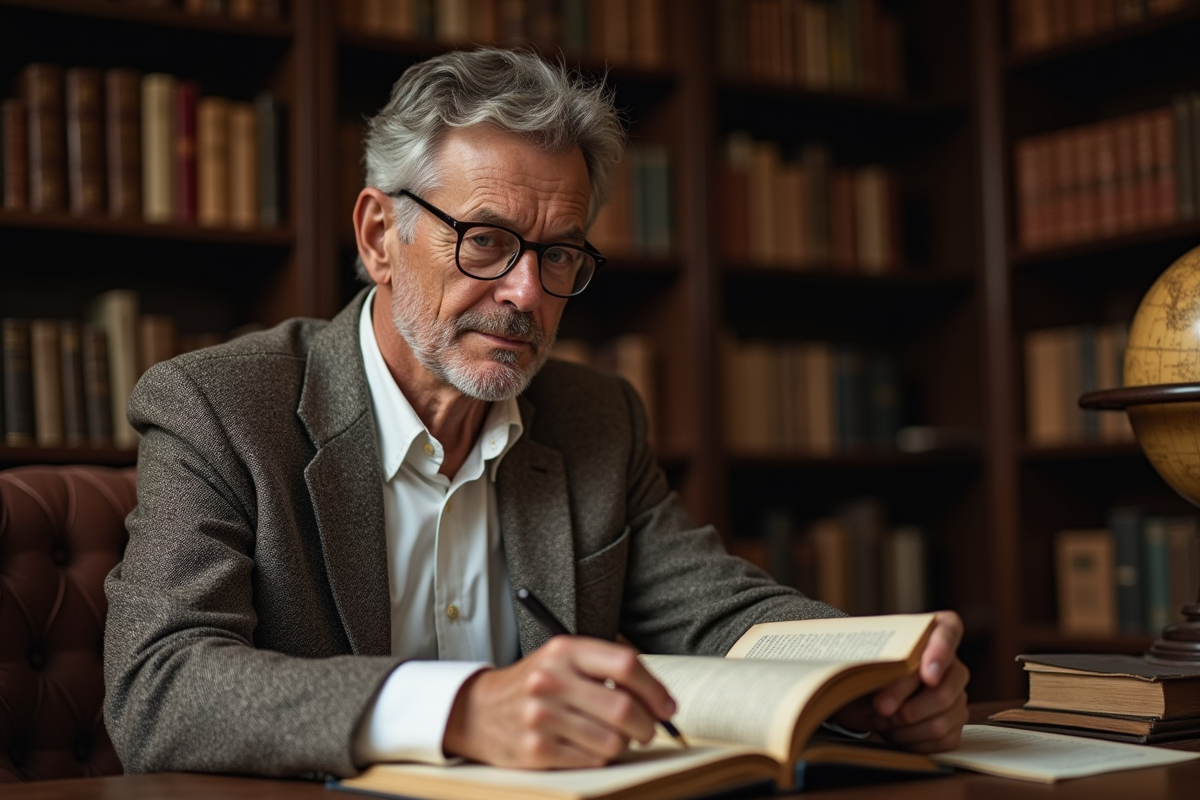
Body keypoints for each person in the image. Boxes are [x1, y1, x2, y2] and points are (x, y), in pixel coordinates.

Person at [103, 47, 969, 779]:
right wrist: (465, 707)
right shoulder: (217, 405)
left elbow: (715, 612)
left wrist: (874, 673)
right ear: (377, 237)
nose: (525, 293)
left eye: (559, 254)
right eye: (486, 241)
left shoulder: (595, 415)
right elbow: (159, 683)